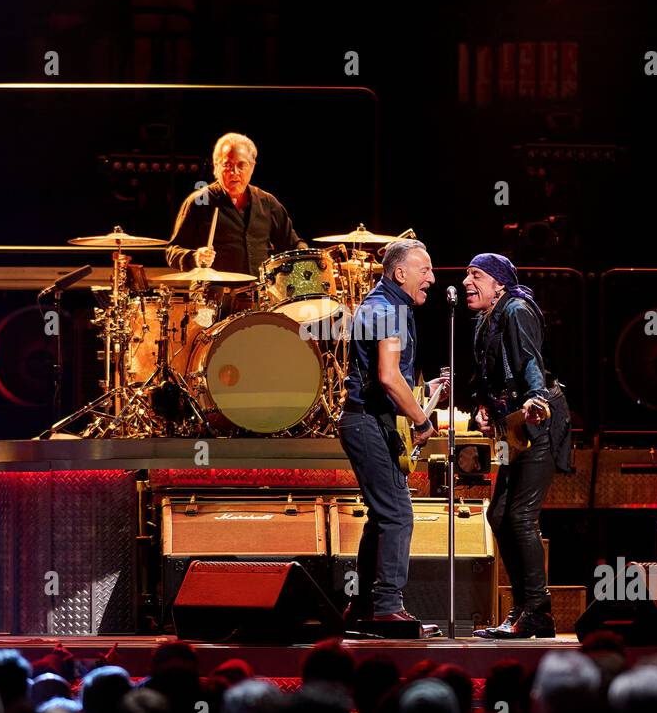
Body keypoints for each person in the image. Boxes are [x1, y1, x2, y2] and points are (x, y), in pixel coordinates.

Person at [338, 239, 448, 634]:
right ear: (400, 273)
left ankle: (363, 607)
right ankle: (386, 608)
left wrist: (427, 391)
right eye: (425, 270)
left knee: (382, 516)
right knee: (397, 514)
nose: (431, 279)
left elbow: (385, 376)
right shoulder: (387, 310)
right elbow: (387, 377)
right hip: (367, 423)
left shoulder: (384, 305)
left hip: (369, 421)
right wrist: (421, 420)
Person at [462, 253, 571, 638]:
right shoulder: (488, 317)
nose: (466, 282)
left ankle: (537, 610)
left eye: (476, 275)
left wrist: (535, 398)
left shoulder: (517, 309)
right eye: (467, 275)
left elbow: (529, 361)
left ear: (499, 283)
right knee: (498, 515)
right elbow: (490, 373)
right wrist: (483, 408)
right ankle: (524, 609)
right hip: (512, 426)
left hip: (535, 421)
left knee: (521, 517)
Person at [165, 132, 306, 277]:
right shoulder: (200, 201)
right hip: (214, 289)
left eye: (241, 165)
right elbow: (172, 251)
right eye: (227, 165)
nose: (234, 172)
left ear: (252, 167)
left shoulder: (268, 203)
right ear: (216, 167)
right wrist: (195, 257)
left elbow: (293, 244)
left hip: (259, 288)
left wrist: (309, 256)